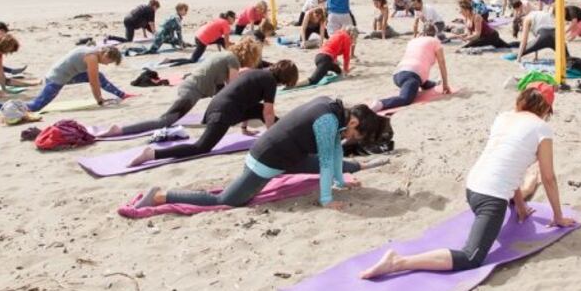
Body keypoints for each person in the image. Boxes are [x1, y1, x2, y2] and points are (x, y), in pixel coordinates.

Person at [360, 86, 575, 279]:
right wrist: (558, 217)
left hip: (472, 188)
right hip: (490, 198)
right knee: (471, 257)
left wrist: (520, 206)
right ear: (546, 108)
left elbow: (507, 164)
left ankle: (521, 196)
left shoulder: (504, 117)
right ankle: (398, 261)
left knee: (510, 177)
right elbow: (548, 177)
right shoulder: (541, 128)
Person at [133, 97, 390, 210]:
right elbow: (326, 163)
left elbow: (334, 151)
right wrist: (327, 200)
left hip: (290, 155)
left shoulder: (334, 111)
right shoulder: (328, 123)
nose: (350, 139)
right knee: (226, 200)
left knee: (320, 164)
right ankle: (161, 196)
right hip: (267, 159)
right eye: (355, 136)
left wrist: (340, 182)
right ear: (354, 123)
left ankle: (355, 170)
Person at [127, 61, 299, 166]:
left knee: (258, 109)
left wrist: (244, 129)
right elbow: (268, 113)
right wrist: (272, 138)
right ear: (285, 78)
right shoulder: (269, 81)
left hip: (218, 105)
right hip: (222, 112)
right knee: (202, 147)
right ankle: (152, 154)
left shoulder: (260, 73)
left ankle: (289, 134)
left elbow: (251, 104)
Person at [96, 38, 263, 138]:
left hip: (190, 86)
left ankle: (211, 120)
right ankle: (119, 129)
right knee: (165, 121)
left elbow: (223, 90)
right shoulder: (232, 60)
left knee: (221, 99)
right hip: (191, 91)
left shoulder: (224, 55)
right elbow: (233, 89)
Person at [0, 46, 125, 115]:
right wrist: (99, 101)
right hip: (56, 79)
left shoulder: (95, 51)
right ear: (105, 54)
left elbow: (95, 78)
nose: (107, 64)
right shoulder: (92, 57)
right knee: (35, 107)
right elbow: (93, 83)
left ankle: (122, 95)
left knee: (99, 76)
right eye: (108, 61)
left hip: (68, 75)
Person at [372, 25, 451, 112]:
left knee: (421, 81)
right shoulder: (435, 41)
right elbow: (442, 63)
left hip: (398, 74)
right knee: (405, 99)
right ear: (435, 34)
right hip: (411, 76)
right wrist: (445, 85)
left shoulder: (413, 41)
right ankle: (380, 103)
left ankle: (433, 83)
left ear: (423, 33)